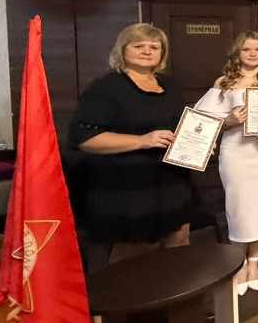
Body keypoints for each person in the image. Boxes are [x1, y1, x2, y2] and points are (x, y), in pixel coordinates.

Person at [69, 23, 195, 267]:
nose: (147, 51)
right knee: (132, 260)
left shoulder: (169, 85)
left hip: (172, 183)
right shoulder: (106, 88)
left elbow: (180, 126)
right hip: (128, 190)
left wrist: (198, 143)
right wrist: (141, 140)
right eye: (138, 46)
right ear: (122, 50)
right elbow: (83, 138)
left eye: (154, 47)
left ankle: (173, 292)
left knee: (178, 246)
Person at [196, 32, 258, 294]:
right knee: (238, 209)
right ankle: (237, 265)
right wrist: (228, 120)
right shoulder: (224, 82)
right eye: (247, 49)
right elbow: (205, 119)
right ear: (237, 53)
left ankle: (254, 264)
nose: (252, 54)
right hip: (236, 153)